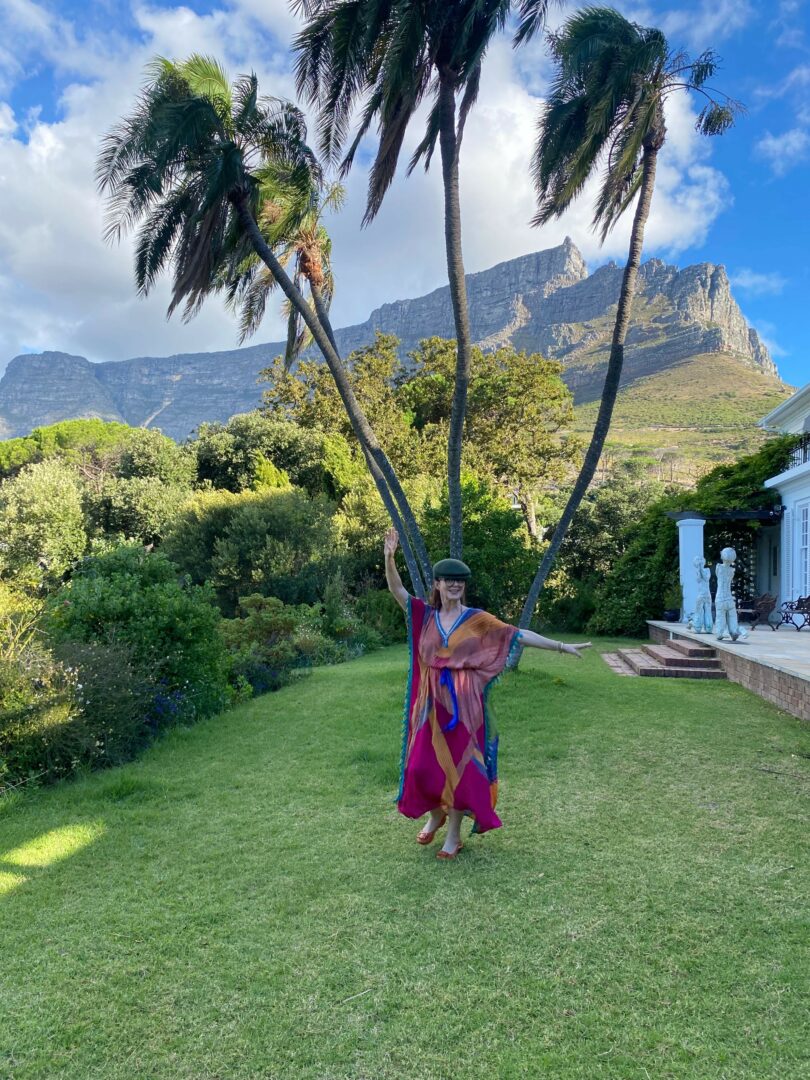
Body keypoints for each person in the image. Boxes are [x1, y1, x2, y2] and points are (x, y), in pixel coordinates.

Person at [384, 527, 591, 859]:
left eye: (460, 581)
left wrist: (561, 646)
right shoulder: (425, 616)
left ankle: (453, 835)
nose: (455, 585)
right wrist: (389, 557)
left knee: (461, 769)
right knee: (421, 766)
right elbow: (398, 591)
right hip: (431, 706)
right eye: (449, 580)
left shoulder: (477, 620)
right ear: (437, 584)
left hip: (465, 706)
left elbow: (517, 634)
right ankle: (435, 814)